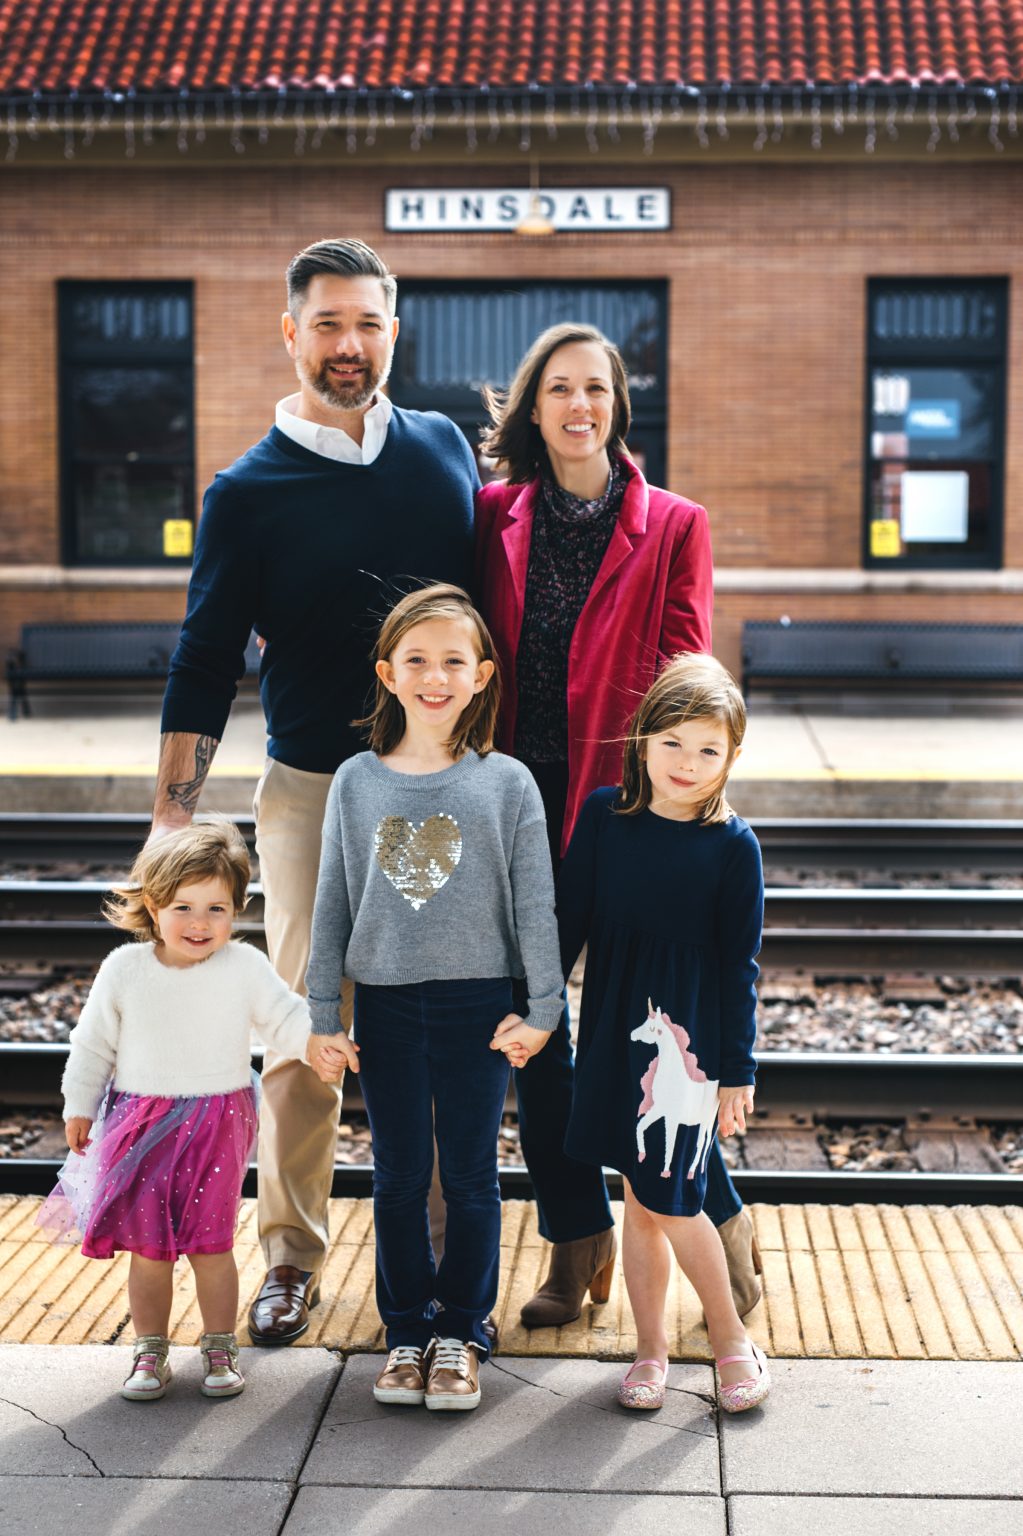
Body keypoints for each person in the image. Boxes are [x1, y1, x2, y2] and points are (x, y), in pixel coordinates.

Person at [152, 239, 478, 1345]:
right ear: (290, 334)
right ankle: (290, 1256)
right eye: (328, 324)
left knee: (442, 1022)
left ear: (395, 331)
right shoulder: (247, 493)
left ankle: (440, 1251)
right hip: (309, 793)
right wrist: (172, 815)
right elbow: (202, 657)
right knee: (302, 1028)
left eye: (369, 324)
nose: (350, 345)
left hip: (443, 790)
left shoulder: (442, 452)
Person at [475, 322, 761, 1328]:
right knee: (537, 1032)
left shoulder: (675, 524)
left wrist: (679, 803)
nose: (579, 405)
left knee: (653, 1041)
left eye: (596, 388)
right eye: (559, 388)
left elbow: (687, 677)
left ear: (617, 405)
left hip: (625, 811)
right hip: (517, 808)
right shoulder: (494, 514)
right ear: (534, 406)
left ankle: (720, 1218)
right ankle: (575, 1238)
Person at [306, 584, 563, 1411]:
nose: (435, 676)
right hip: (383, 1006)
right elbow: (332, 902)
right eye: (416, 660)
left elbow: (534, 906)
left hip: (479, 1008)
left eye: (454, 660)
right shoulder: (354, 781)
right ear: (387, 673)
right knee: (397, 1176)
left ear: (483, 674)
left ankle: (461, 1330)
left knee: (471, 1175)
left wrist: (545, 1010)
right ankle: (405, 1334)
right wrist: (322, 1014)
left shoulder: (507, 784)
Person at [545, 653, 770, 1414]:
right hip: (617, 1034)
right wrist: (539, 1008)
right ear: (641, 738)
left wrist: (736, 1070)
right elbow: (567, 924)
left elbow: (740, 967)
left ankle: (731, 1338)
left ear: (730, 759)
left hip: (694, 1047)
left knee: (671, 1197)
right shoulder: (605, 818)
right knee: (638, 1200)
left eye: (708, 750)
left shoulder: (733, 847)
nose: (687, 762)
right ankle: (650, 1351)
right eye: (671, 741)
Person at [37, 819, 330, 1402]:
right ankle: (150, 1351)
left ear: (238, 909)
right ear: (151, 903)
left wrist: (318, 1043)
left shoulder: (242, 967)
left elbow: (284, 1016)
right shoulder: (125, 968)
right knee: (149, 1248)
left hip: (217, 1124)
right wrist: (79, 1104)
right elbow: (92, 1042)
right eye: (183, 907)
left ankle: (219, 1345)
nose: (200, 924)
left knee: (211, 1243)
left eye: (217, 909)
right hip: (138, 1125)